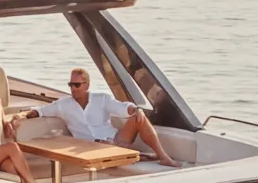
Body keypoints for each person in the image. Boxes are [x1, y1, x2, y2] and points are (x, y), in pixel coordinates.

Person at [28, 67, 179, 167]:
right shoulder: (62, 105)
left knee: (139, 117)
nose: (73, 88)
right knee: (109, 147)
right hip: (92, 148)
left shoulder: (102, 99)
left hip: (116, 139)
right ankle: (139, 155)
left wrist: (137, 109)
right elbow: (39, 111)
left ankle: (163, 156)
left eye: (77, 85)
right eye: (71, 85)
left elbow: (123, 108)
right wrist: (19, 117)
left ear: (87, 85)